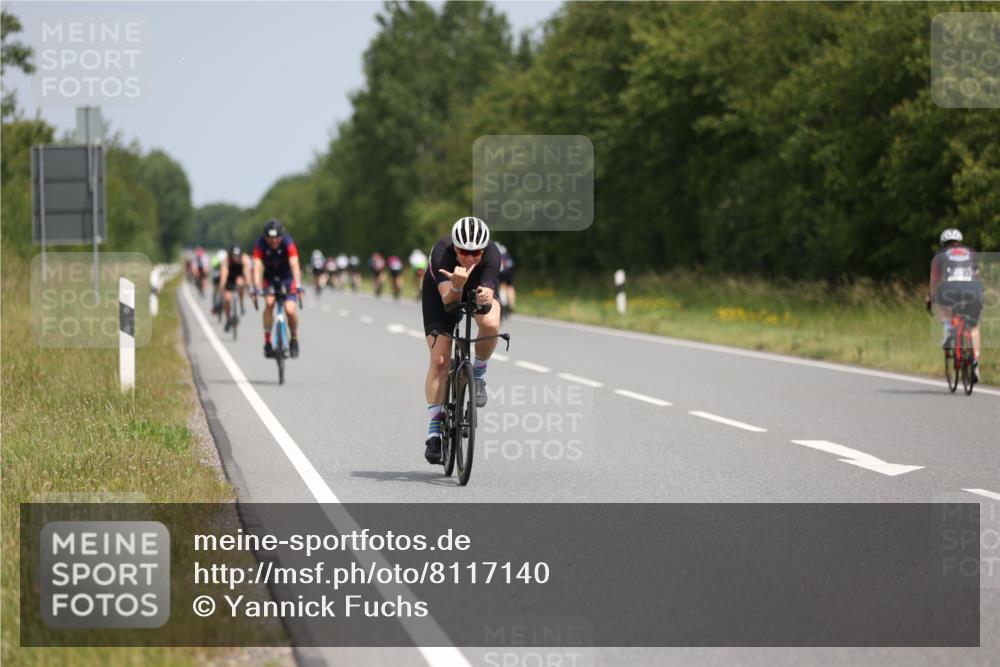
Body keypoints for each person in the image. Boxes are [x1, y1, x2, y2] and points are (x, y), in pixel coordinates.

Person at [421, 216, 501, 464]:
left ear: (483, 250)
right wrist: (456, 285)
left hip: (474, 287)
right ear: (455, 247)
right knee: (440, 359)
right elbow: (448, 301)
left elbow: (488, 291)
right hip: (442, 293)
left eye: (475, 253)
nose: (469, 257)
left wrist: (485, 296)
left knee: (491, 323)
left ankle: (478, 374)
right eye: (464, 252)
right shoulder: (441, 253)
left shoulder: (492, 254)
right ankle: (434, 430)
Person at [927, 228, 984, 383]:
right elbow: (976, 274)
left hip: (950, 289)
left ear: (943, 243)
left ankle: (948, 329)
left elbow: (934, 281)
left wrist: (931, 297)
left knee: (941, 302)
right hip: (973, 289)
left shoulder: (940, 255)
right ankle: (975, 361)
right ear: (960, 241)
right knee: (974, 327)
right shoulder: (970, 252)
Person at [251, 219, 304, 358]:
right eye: (270, 238)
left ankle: (294, 338)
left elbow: (294, 264)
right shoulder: (260, 243)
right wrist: (255, 287)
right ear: (265, 236)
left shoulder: (288, 242)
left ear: (281, 235)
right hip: (269, 279)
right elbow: (257, 266)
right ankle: (267, 342)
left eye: (277, 237)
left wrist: (299, 285)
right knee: (269, 304)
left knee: (290, 310)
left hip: (287, 278)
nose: (274, 241)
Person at [219, 243, 249, 332]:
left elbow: (247, 274)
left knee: (241, 284)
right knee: (227, 299)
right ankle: (228, 319)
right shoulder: (226, 261)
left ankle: (241, 303)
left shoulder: (244, 259)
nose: (236, 257)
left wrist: (247, 284)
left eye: (237, 255)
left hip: (239, 277)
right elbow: (224, 275)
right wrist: (222, 287)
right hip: (229, 279)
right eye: (234, 255)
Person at [496, 241, 516, 319]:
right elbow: (510, 263)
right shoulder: (504, 249)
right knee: (510, 287)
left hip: (500, 270)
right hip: (508, 269)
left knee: (501, 286)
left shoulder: (492, 249)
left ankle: (502, 304)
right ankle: (511, 306)